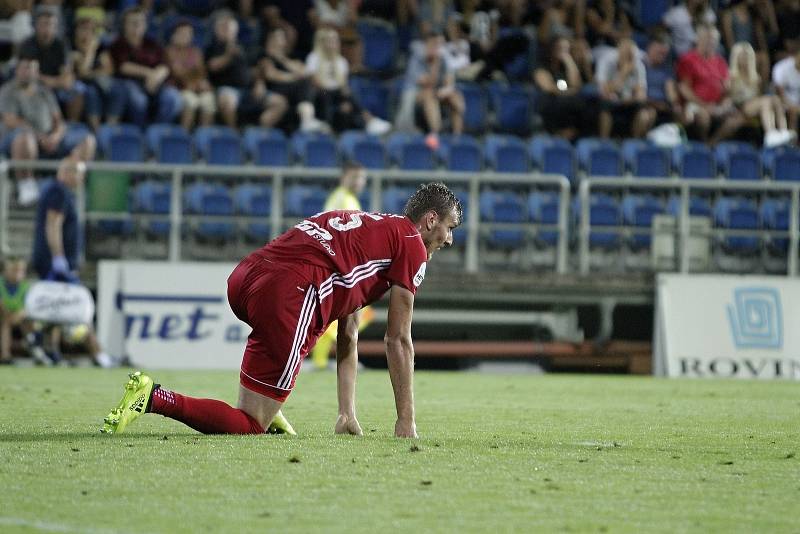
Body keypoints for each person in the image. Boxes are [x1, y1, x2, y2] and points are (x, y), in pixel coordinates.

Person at [100, 182, 462, 438]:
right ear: (430, 220)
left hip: (246, 277)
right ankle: (154, 397)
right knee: (250, 423)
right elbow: (397, 340)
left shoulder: (373, 232)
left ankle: (271, 410)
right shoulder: (412, 246)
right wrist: (406, 421)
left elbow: (349, 332)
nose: (449, 239)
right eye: (449, 227)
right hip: (290, 293)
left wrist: (346, 412)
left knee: (260, 400)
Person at [32, 157, 113, 367]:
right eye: (78, 172)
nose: (82, 177)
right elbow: (53, 224)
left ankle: (46, 347)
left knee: (55, 310)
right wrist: (58, 257)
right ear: (66, 172)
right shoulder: (58, 191)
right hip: (55, 262)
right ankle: (100, 355)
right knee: (78, 305)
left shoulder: (60, 191)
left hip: (56, 260)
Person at [0, 56, 96, 206]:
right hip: (17, 141)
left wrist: (56, 136)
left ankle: (70, 184)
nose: (28, 72)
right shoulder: (7, 91)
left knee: (87, 140)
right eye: (24, 68)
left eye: (31, 68)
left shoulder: (44, 92)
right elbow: (11, 120)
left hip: (49, 139)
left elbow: (58, 120)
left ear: (37, 71)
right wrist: (40, 137)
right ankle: (26, 185)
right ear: (17, 70)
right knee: (25, 138)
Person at [309, 161, 375, 370]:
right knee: (347, 313)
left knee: (348, 313)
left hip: (341, 264)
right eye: (354, 177)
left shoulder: (348, 198)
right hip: (338, 265)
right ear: (343, 177)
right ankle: (326, 360)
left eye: (361, 178)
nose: (359, 182)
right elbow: (340, 233)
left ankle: (321, 361)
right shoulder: (343, 198)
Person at [206, 9, 288, 130]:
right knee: (228, 100)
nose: (228, 30)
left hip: (248, 90)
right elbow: (212, 67)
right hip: (226, 89)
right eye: (224, 27)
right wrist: (228, 56)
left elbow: (257, 68)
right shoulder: (212, 46)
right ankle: (234, 133)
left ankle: (258, 133)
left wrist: (259, 83)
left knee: (280, 103)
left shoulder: (245, 48)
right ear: (217, 29)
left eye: (230, 27)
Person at [106, 6, 183, 129]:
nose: (137, 26)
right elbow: (123, 66)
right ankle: (140, 131)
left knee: (173, 97)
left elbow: (165, 66)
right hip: (129, 84)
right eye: (133, 22)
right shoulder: (118, 44)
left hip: (155, 84)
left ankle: (156, 132)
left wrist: (156, 77)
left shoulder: (152, 43)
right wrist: (149, 74)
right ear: (124, 25)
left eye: (141, 22)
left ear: (145, 25)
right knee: (138, 100)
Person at [305, 28, 391, 134]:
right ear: (324, 42)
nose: (334, 43)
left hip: (336, 94)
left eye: (336, 40)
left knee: (348, 99)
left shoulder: (341, 61)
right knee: (325, 94)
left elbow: (342, 84)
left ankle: (369, 122)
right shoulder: (314, 57)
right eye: (330, 40)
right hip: (320, 93)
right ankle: (369, 119)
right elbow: (315, 81)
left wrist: (345, 99)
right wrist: (333, 89)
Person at [676, 25, 744, 144]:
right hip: (695, 104)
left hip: (716, 106)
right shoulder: (688, 59)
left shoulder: (720, 62)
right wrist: (704, 105)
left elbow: (727, 90)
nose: (711, 42)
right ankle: (701, 145)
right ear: (699, 39)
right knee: (703, 117)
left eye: (714, 40)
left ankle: (712, 143)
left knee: (737, 119)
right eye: (708, 38)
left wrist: (724, 104)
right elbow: (684, 89)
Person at [18, 7, 85, 122]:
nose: (47, 28)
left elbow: (67, 79)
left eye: (51, 25)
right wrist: (53, 81)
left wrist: (52, 81)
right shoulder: (27, 44)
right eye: (44, 24)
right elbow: (27, 74)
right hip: (34, 85)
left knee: (78, 89)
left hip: (54, 84)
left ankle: (72, 125)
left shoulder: (62, 45)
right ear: (35, 26)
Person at [257, 27, 328, 133]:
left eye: (282, 37)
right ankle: (307, 120)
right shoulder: (265, 56)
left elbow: (304, 71)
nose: (281, 40)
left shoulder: (287, 58)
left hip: (291, 91)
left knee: (321, 91)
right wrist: (293, 77)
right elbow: (272, 75)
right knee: (304, 83)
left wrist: (283, 60)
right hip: (274, 89)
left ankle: (318, 124)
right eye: (277, 37)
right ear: (269, 39)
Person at [403, 32, 464, 149]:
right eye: (433, 45)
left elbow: (450, 83)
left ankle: (457, 138)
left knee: (455, 97)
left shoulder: (444, 60)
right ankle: (435, 134)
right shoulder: (417, 59)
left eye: (438, 45)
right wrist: (435, 63)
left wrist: (447, 91)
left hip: (436, 95)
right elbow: (428, 83)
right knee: (429, 94)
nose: (436, 48)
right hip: (415, 99)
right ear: (426, 45)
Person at [728, 42, 795, 147]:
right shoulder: (732, 77)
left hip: (754, 104)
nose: (745, 59)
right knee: (765, 101)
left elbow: (758, 95)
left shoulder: (756, 78)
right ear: (737, 58)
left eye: (747, 56)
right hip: (741, 106)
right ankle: (769, 133)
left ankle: (783, 131)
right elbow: (732, 97)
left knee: (775, 99)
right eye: (742, 56)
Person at [534, 36, 592, 140]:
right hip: (549, 103)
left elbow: (576, 84)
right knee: (565, 100)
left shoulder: (565, 68)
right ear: (552, 49)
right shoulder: (542, 67)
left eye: (567, 49)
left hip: (567, 103)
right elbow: (548, 88)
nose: (563, 52)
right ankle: (558, 133)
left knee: (583, 101)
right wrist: (569, 92)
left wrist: (569, 60)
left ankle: (574, 133)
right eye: (561, 48)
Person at [596, 38, 655, 139]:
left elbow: (641, 94)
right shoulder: (607, 61)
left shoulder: (638, 65)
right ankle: (604, 140)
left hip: (629, 100)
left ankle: (635, 142)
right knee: (605, 106)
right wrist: (624, 73)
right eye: (626, 54)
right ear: (619, 51)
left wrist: (630, 99)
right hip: (610, 100)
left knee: (645, 113)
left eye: (631, 54)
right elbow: (604, 91)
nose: (629, 57)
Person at [165, 21, 216, 131]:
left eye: (188, 34)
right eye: (182, 33)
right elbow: (178, 74)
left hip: (196, 88)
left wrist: (200, 82)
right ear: (174, 35)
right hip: (178, 89)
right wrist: (194, 76)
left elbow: (202, 73)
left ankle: (203, 138)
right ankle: (184, 136)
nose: (185, 36)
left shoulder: (196, 52)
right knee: (191, 101)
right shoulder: (169, 51)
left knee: (208, 101)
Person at [71, 16, 113, 132]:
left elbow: (108, 70)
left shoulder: (101, 48)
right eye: (83, 29)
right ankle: (96, 130)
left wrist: (91, 74)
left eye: (91, 30)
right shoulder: (72, 48)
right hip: (78, 85)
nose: (87, 33)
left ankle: (111, 129)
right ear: (76, 31)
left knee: (118, 89)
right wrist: (90, 50)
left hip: (98, 84)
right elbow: (83, 72)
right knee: (91, 92)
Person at [0, 257, 33, 364]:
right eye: (14, 270)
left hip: (18, 318)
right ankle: (5, 355)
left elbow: (28, 307)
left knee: (28, 322)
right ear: (5, 271)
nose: (17, 274)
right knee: (6, 322)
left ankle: (34, 349)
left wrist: (20, 314)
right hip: (3, 316)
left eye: (20, 271)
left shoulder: (26, 286)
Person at [773, 48, 800, 132]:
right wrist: (793, 106)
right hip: (781, 100)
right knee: (793, 112)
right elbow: (778, 91)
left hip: (797, 102)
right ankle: (791, 142)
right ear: (797, 55)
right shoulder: (783, 67)